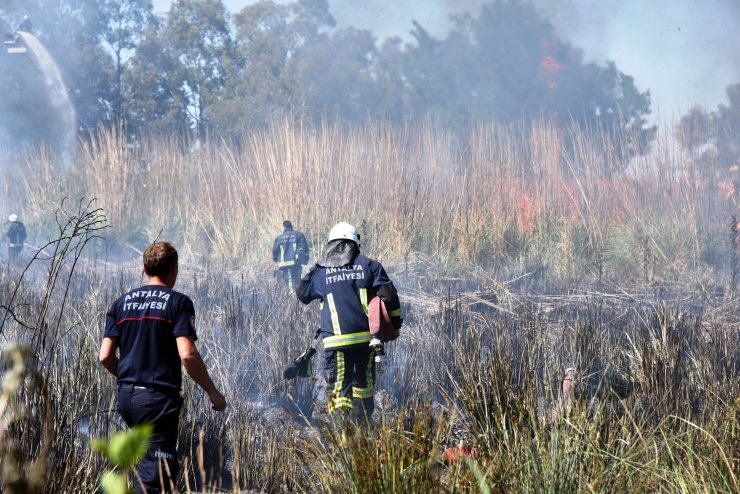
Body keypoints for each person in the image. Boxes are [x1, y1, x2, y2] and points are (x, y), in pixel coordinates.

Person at [98, 241, 227, 493]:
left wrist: (129, 379)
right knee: (155, 476)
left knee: (145, 464)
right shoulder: (178, 303)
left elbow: (104, 356)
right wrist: (213, 392)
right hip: (157, 401)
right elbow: (187, 355)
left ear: (144, 269)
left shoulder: (120, 303)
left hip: (126, 398)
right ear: (174, 270)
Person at [296, 222, 402, 425]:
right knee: (363, 386)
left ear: (330, 246)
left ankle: (343, 443)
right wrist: (395, 323)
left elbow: (302, 294)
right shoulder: (370, 266)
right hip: (366, 342)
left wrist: (316, 266)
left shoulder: (321, 271)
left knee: (339, 389)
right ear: (355, 244)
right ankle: (362, 437)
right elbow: (390, 296)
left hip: (336, 344)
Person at [272, 220, 309, 290]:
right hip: (296, 263)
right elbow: (304, 248)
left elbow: (275, 249)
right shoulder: (298, 235)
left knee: (290, 283)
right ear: (291, 226)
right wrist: (306, 258)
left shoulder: (279, 238)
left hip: (285, 265)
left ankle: (292, 299)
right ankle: (297, 298)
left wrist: (275, 258)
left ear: (284, 227)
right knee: (297, 282)